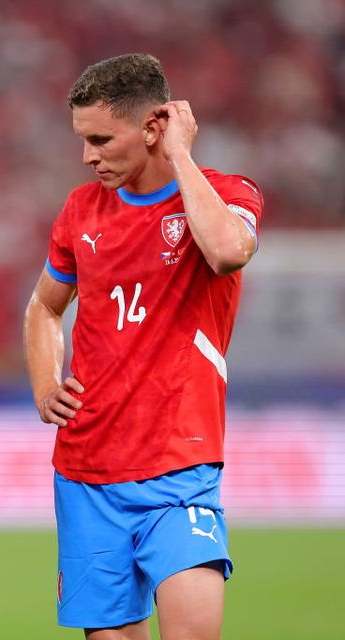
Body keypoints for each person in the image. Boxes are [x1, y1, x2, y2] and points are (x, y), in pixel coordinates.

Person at [23, 53, 263, 640]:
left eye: (102, 139)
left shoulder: (228, 194)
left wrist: (181, 156)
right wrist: (45, 383)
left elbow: (229, 252)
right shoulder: (80, 211)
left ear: (155, 127)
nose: (88, 156)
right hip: (86, 472)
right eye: (83, 140)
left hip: (179, 467)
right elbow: (42, 308)